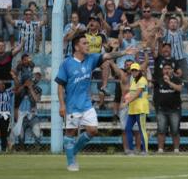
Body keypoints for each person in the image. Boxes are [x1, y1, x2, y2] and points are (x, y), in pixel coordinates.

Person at [55, 33, 136, 171]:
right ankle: (71, 162)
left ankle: (73, 150)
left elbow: (107, 56)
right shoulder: (66, 63)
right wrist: (62, 105)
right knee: (70, 133)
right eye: (84, 43)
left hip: (86, 103)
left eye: (88, 43)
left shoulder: (91, 59)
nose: (88, 45)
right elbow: (60, 85)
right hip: (72, 105)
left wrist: (124, 52)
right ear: (76, 46)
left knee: (92, 130)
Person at [161, 8, 188, 108]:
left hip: (182, 60)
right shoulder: (165, 33)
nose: (173, 24)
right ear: (168, 24)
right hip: (171, 61)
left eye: (175, 22)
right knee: (172, 81)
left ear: (177, 24)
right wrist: (163, 14)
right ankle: (174, 101)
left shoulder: (180, 32)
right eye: (171, 22)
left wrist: (181, 13)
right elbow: (159, 26)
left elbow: (186, 24)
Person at [153, 61, 183, 153]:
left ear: (172, 70)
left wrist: (169, 82)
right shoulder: (158, 80)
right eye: (165, 69)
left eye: (169, 69)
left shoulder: (177, 79)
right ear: (162, 70)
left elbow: (179, 88)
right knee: (161, 130)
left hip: (174, 109)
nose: (167, 70)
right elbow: (155, 93)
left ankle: (176, 150)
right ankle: (160, 149)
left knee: (175, 130)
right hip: (161, 109)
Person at [11, 67, 43, 149]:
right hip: (21, 116)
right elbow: (16, 93)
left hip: (33, 116)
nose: (29, 81)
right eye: (27, 80)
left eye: (29, 80)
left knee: (37, 131)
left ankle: (37, 148)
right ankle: (22, 149)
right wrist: (24, 86)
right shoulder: (20, 89)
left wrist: (30, 88)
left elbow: (37, 99)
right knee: (20, 133)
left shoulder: (37, 89)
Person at [123, 62, 149, 155]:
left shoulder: (142, 80)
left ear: (139, 71)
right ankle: (130, 150)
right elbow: (132, 93)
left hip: (141, 108)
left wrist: (126, 102)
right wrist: (126, 96)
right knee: (127, 128)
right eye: (132, 70)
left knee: (142, 129)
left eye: (135, 70)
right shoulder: (133, 80)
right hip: (133, 108)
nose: (134, 72)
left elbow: (137, 94)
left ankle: (145, 150)